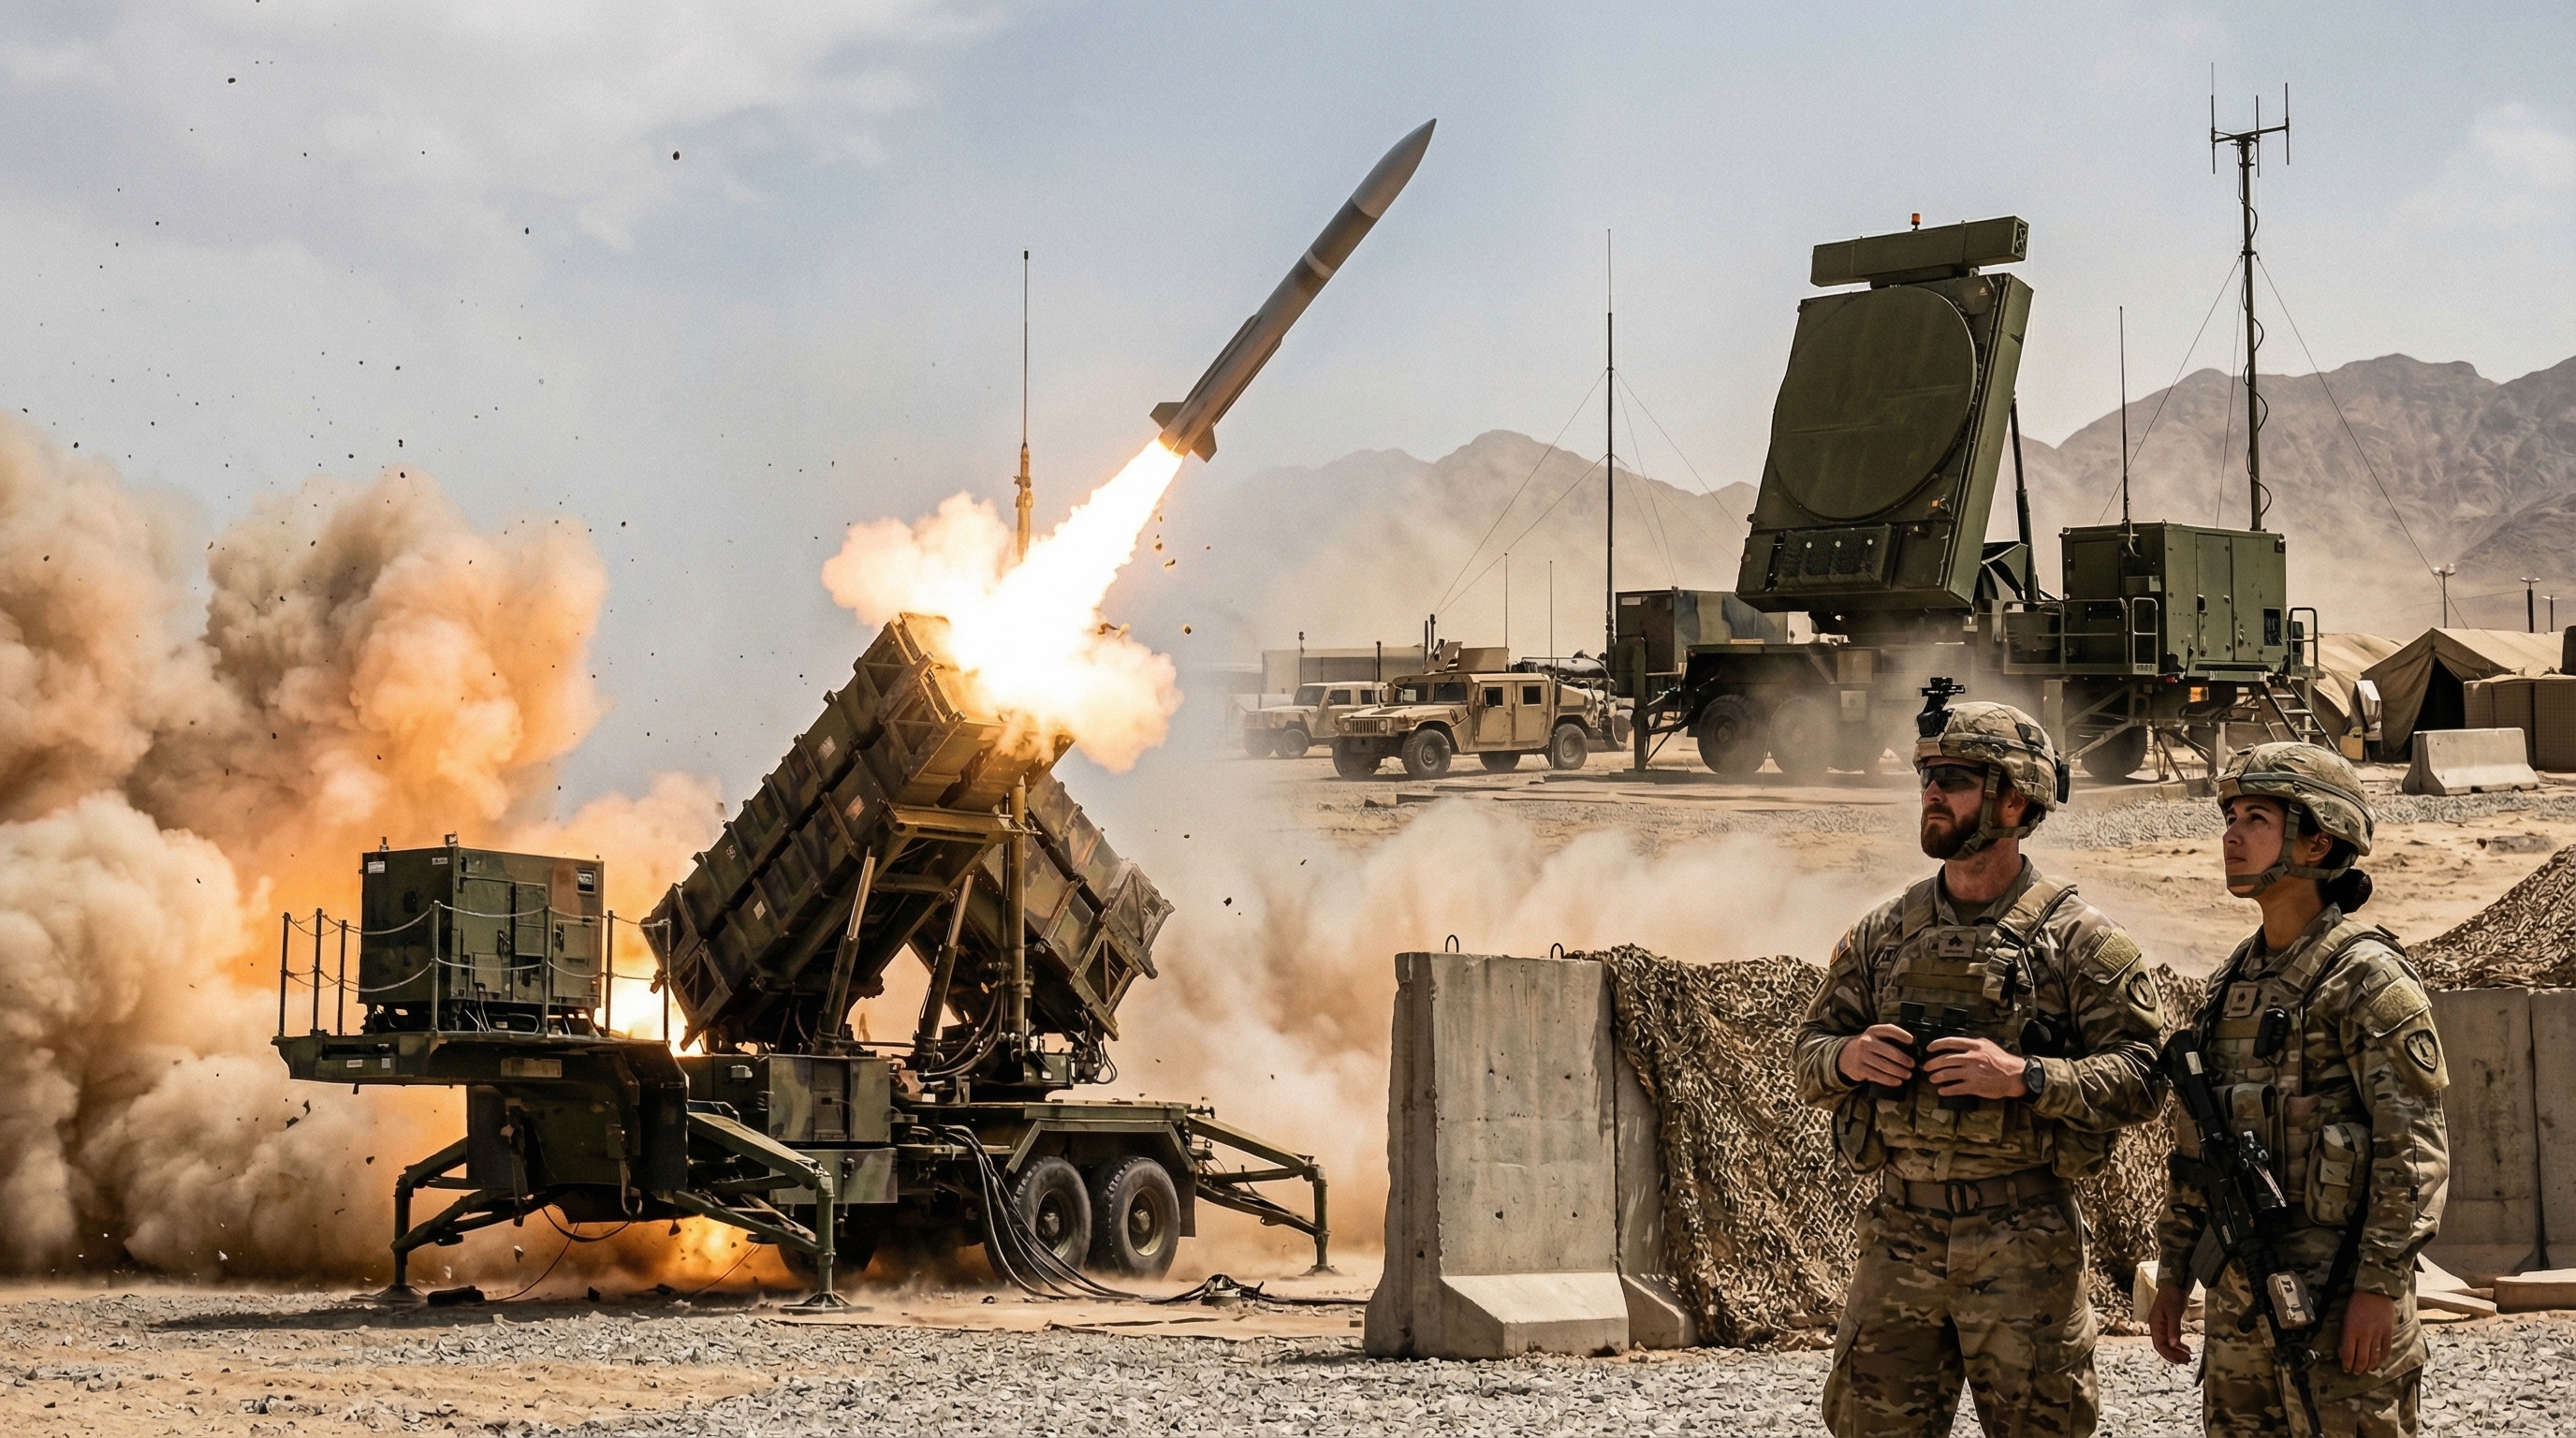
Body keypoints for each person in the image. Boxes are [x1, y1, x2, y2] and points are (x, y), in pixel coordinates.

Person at [1797, 687, 2168, 1437]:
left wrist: (2026, 1077)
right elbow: (1808, 1055)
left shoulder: (2081, 943)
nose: (1932, 793)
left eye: (1956, 780)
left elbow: (2145, 1078)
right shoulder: (1884, 933)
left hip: (2024, 1239)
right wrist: (1851, 1057)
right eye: (1927, 778)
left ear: (2013, 802)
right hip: (1900, 1234)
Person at [2148, 742, 2449, 1436]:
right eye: (2230, 817)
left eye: (2256, 818)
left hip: (2341, 1305)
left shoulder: (2366, 978)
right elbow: (2199, 1150)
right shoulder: (2232, 983)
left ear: (2319, 841)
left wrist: (2378, 1288)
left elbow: (2413, 1149)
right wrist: (2174, 1274)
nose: (2231, 835)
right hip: (2241, 1303)